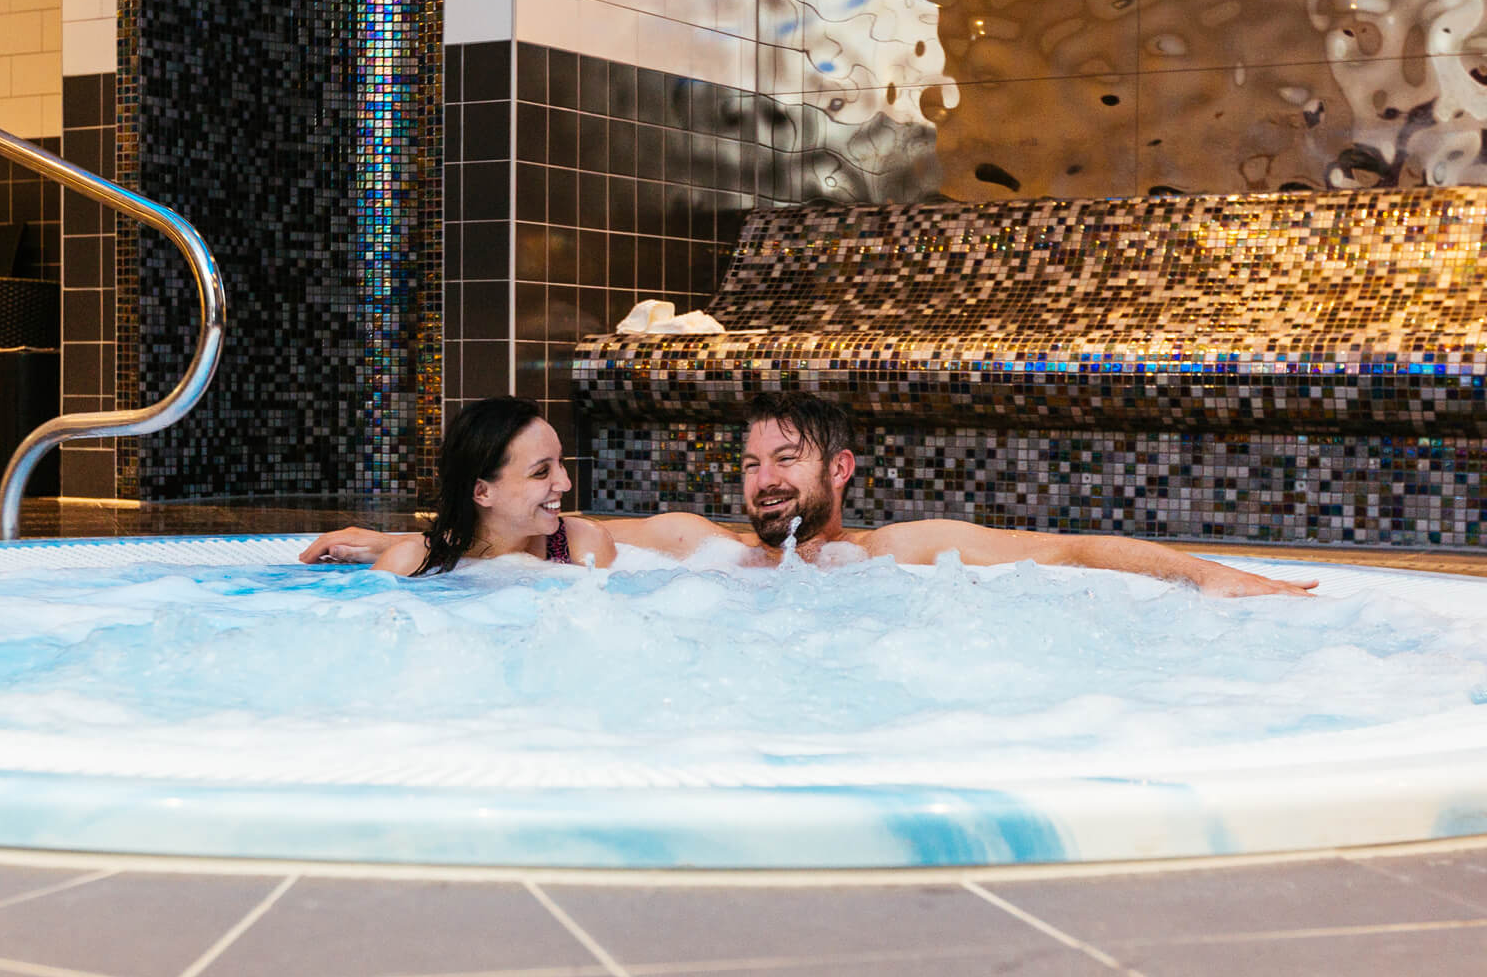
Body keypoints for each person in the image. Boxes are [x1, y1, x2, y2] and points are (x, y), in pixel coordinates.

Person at [305, 392, 1316, 598]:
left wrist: (1204, 572)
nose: (763, 478)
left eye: (785, 458)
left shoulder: (893, 552)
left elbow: (1060, 550)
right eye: (749, 461)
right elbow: (512, 534)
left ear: (837, 470)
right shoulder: (696, 545)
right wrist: (380, 535)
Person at [371, 396, 614, 577]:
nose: (565, 483)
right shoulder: (410, 565)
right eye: (541, 472)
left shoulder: (582, 545)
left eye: (560, 462)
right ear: (482, 492)